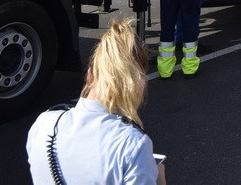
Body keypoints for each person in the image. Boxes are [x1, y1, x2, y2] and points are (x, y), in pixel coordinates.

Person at [26, 19, 167, 185]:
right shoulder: (133, 144)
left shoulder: (44, 124)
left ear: (90, 75)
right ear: (136, 86)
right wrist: (160, 178)